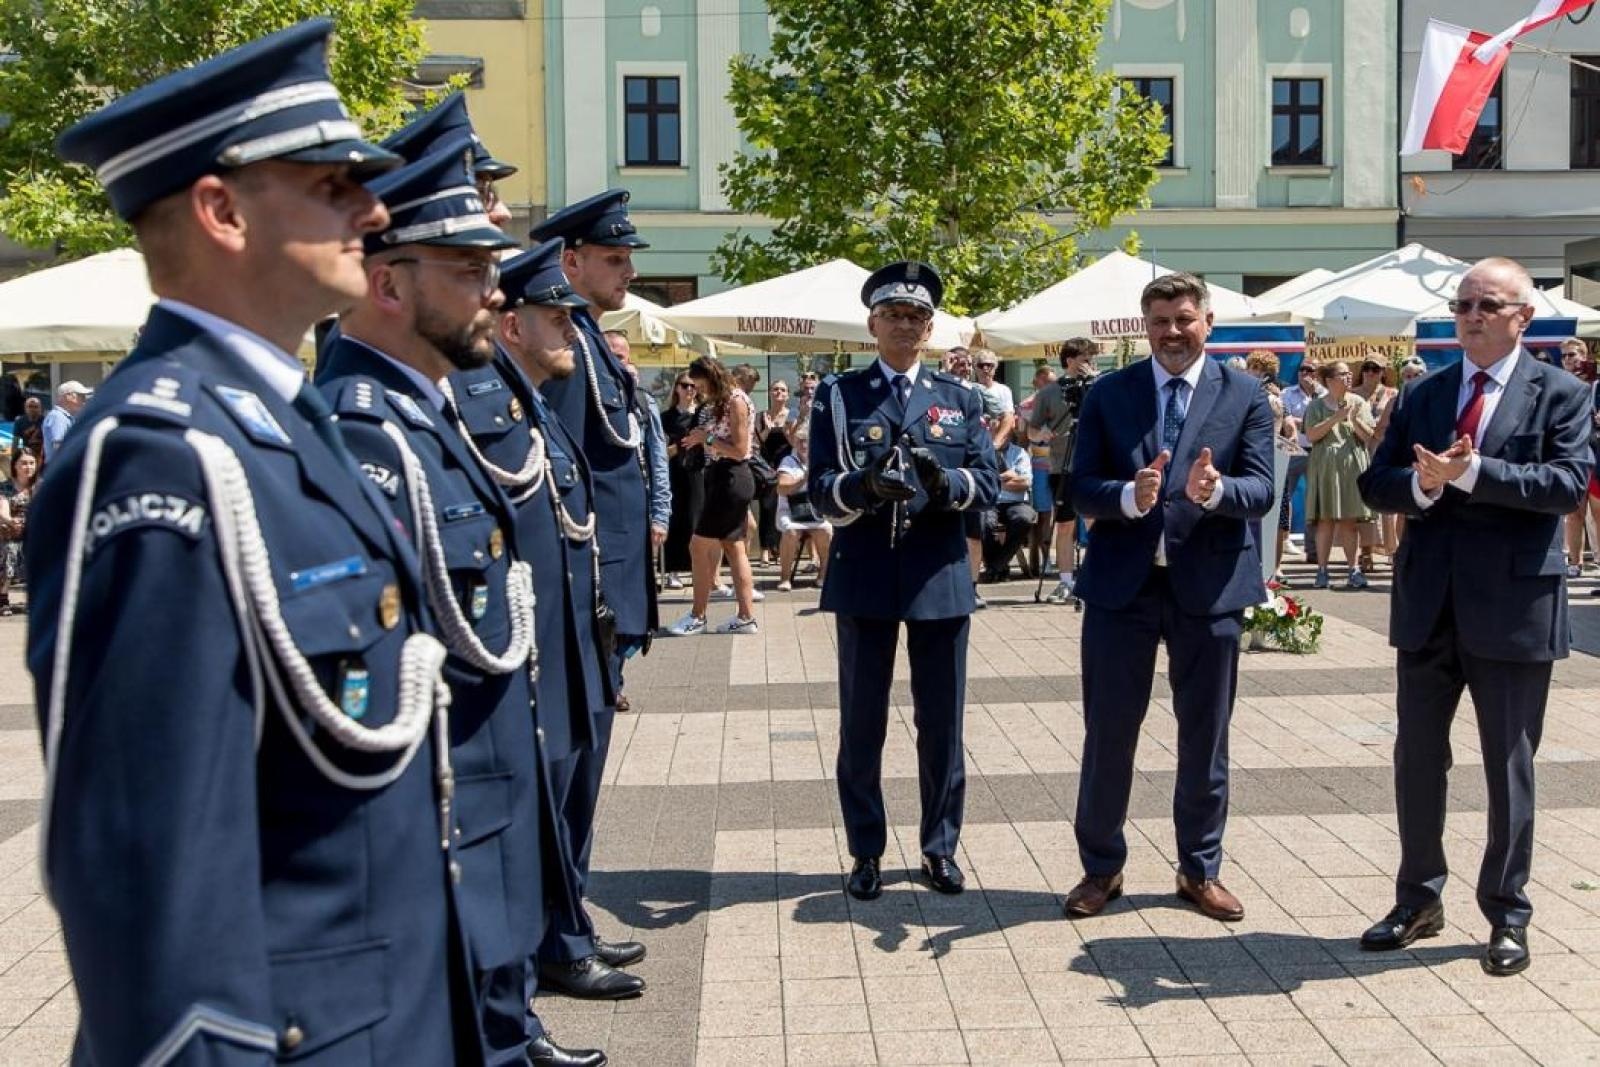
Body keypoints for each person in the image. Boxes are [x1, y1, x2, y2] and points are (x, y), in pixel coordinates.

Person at [31, 20, 482, 1061]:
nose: (374, 210)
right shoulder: (163, 453)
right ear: (222, 210)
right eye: (332, 187)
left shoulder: (283, 418)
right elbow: (146, 863)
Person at [316, 141, 604, 1066]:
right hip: (435, 830)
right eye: (471, 269)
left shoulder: (423, 409)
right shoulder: (365, 425)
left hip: (482, 808)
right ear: (390, 284)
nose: (496, 293)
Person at [1356, 256, 1592, 977]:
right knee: (1417, 761)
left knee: (1507, 767)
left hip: (1514, 608)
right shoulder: (1426, 394)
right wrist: (1424, 487)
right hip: (1430, 605)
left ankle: (1507, 912)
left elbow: (1568, 482)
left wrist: (1474, 473)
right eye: (1463, 304)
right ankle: (1418, 898)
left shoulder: (1560, 392)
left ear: (1524, 316)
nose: (1472, 315)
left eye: (1488, 304)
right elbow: (1376, 482)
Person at [450, 239, 648, 1022]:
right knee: (531, 819)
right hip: (530, 654)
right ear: (511, 327)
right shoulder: (490, 406)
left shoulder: (529, 402)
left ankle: (556, 942)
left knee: (564, 803)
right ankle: (535, 969)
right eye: (554, 316)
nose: (571, 330)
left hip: (570, 642)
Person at [1064, 272, 1275, 924]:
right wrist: (1130, 497)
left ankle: (1199, 868)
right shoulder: (1109, 392)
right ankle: (1102, 867)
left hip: (1208, 589)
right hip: (1121, 589)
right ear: (1144, 326)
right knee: (1108, 735)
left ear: (1207, 321)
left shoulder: (1244, 394)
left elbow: (1262, 489)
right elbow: (1081, 486)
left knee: (1205, 737)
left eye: (1184, 319)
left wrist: (1214, 492)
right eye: (1160, 321)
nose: (1173, 332)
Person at [809, 261, 998, 900]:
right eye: (893, 315)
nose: (905, 325)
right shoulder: (839, 394)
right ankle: (865, 850)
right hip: (863, 574)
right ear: (873, 323)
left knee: (942, 724)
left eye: (916, 317)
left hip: (938, 574)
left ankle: (938, 849)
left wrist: (950, 485)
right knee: (862, 724)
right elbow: (819, 491)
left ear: (929, 328)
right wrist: (862, 487)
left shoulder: (961, 397)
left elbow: (989, 482)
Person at [530, 189, 658, 707]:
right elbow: (558, 470)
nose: (628, 271)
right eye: (614, 259)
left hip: (612, 579)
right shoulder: (567, 347)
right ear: (570, 262)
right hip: (592, 582)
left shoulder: (587, 341)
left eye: (628, 259)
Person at [665, 355, 761, 634]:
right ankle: (745, 617)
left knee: (698, 546)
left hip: (732, 477)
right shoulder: (725, 401)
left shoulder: (736, 401)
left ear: (710, 377)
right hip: (724, 476)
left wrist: (704, 439)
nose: (698, 391)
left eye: (699, 384)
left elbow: (741, 449)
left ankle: (698, 616)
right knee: (734, 547)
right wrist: (702, 436)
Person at [1028, 338, 1098, 603]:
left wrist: (1093, 383)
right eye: (1085, 359)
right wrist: (1040, 434)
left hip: (1092, 464)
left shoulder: (1098, 386)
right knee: (1065, 524)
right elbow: (1033, 429)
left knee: (1094, 520)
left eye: (1091, 359)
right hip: (1062, 464)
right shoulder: (1048, 393)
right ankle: (1066, 581)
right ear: (1069, 361)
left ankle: (1097, 576)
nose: (1090, 364)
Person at [1304, 361, 1376, 589]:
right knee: (1325, 520)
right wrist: (1336, 417)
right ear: (1329, 380)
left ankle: (1353, 570)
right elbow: (1312, 435)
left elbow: (1369, 437)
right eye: (1342, 374)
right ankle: (1322, 570)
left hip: (1352, 466)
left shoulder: (1359, 402)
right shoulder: (1316, 406)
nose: (1348, 378)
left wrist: (1353, 419)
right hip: (1325, 466)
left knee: (1349, 521)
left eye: (1348, 374)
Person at [1558, 339, 1599, 578]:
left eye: (1572, 355)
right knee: (1573, 511)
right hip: (1574, 453)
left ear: (1583, 356)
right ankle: (1575, 563)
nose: (1568, 360)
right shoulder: (1560, 384)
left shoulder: (1596, 384)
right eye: (1563, 356)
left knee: (1598, 513)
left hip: (1596, 451)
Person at [775, 423, 831, 591]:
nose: (804, 445)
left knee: (826, 530)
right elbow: (781, 488)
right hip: (790, 511)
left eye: (807, 440)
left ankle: (823, 575)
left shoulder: (821, 460)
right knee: (791, 532)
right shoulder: (788, 461)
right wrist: (804, 479)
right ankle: (785, 578)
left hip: (815, 512)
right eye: (800, 441)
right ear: (794, 441)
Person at [661, 373, 703, 589]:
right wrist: (680, 445)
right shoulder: (665, 418)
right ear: (676, 388)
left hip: (698, 473)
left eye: (693, 386)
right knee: (675, 519)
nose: (690, 390)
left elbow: (714, 442)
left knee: (697, 520)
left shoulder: (703, 415)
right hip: (674, 473)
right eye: (685, 385)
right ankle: (673, 569)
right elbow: (661, 453)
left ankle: (700, 569)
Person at [1280, 360, 1325, 564]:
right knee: (1284, 496)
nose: (1305, 373)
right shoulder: (1287, 393)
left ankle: (1313, 549)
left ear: (1318, 374)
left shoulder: (1324, 395)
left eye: (1310, 370)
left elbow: (1326, 420)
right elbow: (1284, 418)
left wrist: (1303, 421)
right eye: (1302, 369)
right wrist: (1311, 422)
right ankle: (1285, 540)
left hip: (1317, 450)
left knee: (1314, 500)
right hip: (1292, 451)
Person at [980, 429, 1038, 581]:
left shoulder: (1020, 453)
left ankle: (995, 566)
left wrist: (992, 480)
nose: (998, 437)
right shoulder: (982, 453)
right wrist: (1007, 477)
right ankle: (999, 565)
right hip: (990, 501)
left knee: (1024, 518)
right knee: (981, 522)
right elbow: (980, 481)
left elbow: (1025, 482)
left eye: (1002, 433)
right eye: (994, 433)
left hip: (1016, 501)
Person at [754, 378, 794, 563]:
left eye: (782, 390)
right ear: (770, 393)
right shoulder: (761, 416)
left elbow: (796, 443)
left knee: (784, 507)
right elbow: (755, 444)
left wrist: (787, 432)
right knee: (767, 507)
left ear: (787, 395)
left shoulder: (791, 416)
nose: (778, 393)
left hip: (786, 467)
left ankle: (779, 549)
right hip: (766, 467)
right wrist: (766, 431)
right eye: (775, 389)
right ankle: (764, 549)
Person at [0, 450, 36, 615]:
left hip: (33, 530)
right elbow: (3, 509)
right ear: (15, 465)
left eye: (31, 463)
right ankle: (3, 598)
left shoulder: (41, 486)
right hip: (9, 529)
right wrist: (10, 521)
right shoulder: (6, 487)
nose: (28, 467)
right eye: (24, 463)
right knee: (10, 548)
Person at [40, 380, 89, 467]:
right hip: (59, 467)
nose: (84, 400)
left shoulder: (63, 417)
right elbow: (58, 447)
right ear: (69, 396)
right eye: (81, 396)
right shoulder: (58, 417)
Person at [11, 396, 43, 463]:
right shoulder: (20, 422)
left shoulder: (46, 421)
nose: (33, 409)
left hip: (42, 456)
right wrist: (14, 460)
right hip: (27, 455)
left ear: (40, 408)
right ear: (25, 408)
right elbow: (15, 442)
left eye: (36, 407)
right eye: (30, 406)